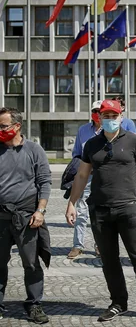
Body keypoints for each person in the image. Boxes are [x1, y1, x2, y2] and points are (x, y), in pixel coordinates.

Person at [65, 99, 136, 323]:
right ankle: (119, 302)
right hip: (100, 210)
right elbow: (81, 175)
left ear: (121, 117)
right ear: (99, 117)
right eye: (105, 116)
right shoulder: (91, 145)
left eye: (113, 115)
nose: (109, 119)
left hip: (127, 208)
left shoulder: (135, 141)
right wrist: (72, 202)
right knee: (109, 260)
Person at [0, 108, 51, 324]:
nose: (0, 130)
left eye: (3, 126)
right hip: (1, 217)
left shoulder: (33, 149)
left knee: (31, 263)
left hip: (27, 216)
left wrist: (40, 211)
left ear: (17, 126)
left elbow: (45, 182)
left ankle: (34, 304)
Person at [67, 100, 103, 260]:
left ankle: (100, 245)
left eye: (99, 110)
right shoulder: (83, 130)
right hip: (86, 176)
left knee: (100, 213)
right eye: (94, 110)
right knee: (81, 212)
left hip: (103, 177)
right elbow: (77, 152)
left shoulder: (109, 130)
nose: (97, 113)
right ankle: (77, 245)